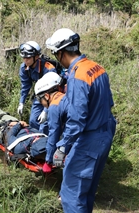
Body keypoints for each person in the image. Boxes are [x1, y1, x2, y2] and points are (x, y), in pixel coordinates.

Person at [45, 28, 116, 212]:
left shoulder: (77, 75)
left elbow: (77, 119)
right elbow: (108, 103)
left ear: (61, 53)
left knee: (72, 194)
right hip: (105, 133)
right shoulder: (96, 67)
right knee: (87, 191)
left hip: (88, 141)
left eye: (55, 54)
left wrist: (62, 147)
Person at [17, 41, 57, 135]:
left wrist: (45, 111)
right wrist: (21, 102)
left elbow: (53, 91)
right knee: (33, 121)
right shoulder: (24, 68)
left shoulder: (48, 68)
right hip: (39, 97)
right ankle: (37, 141)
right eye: (23, 57)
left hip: (54, 97)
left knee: (44, 124)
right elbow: (25, 86)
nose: (25, 60)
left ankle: (48, 143)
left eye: (28, 58)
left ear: (36, 57)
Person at [34, 72, 68, 173]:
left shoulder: (54, 107)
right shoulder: (65, 96)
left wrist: (48, 161)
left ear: (47, 96)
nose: (42, 105)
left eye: (41, 101)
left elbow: (54, 134)